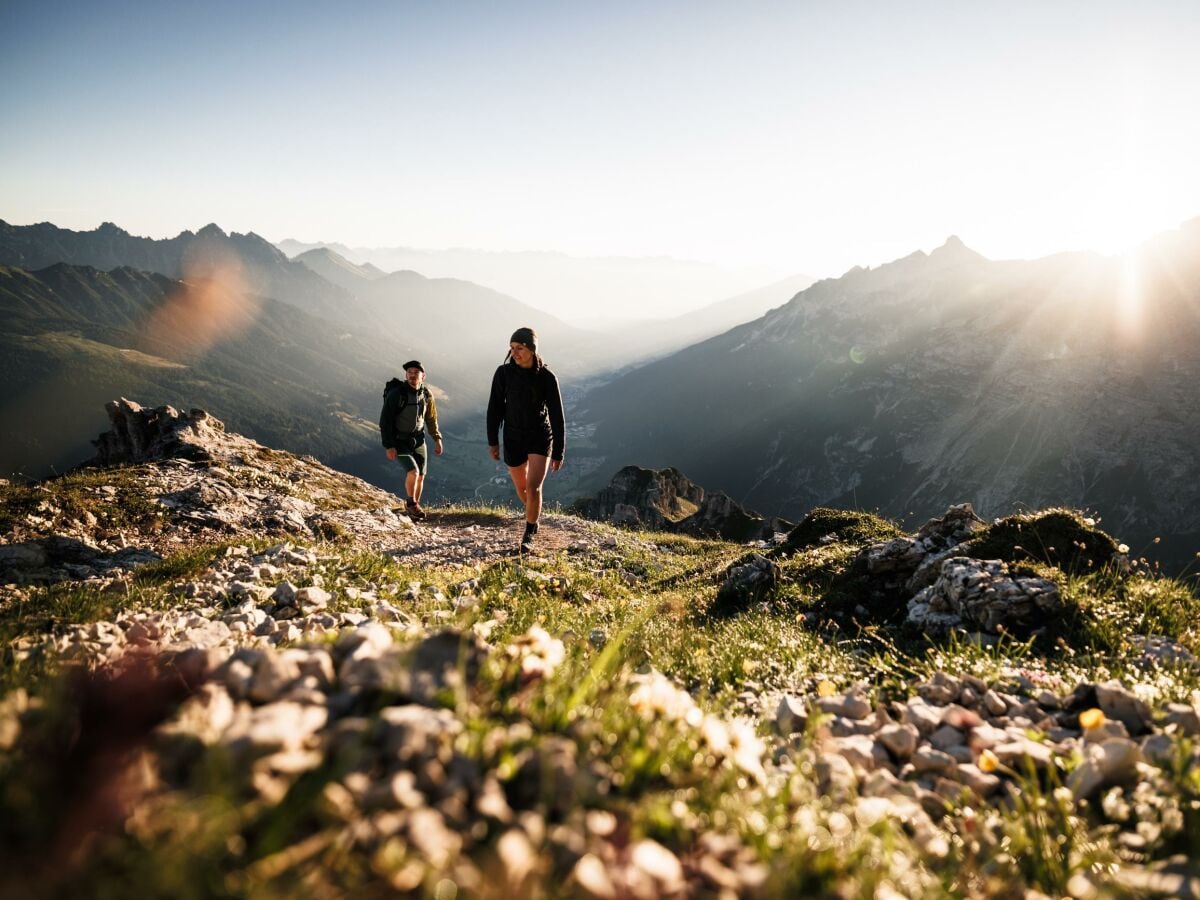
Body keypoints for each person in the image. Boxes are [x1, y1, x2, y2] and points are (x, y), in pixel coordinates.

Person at [487, 327, 565, 552]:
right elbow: (494, 409)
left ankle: (529, 531)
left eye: (519, 348)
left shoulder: (547, 378)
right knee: (522, 490)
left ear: (532, 349)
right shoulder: (503, 374)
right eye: (512, 348)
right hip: (512, 436)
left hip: (540, 435)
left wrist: (559, 452)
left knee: (533, 488)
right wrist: (493, 441)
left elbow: (557, 417)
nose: (515, 353)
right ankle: (534, 515)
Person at [380, 360, 443, 521]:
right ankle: (410, 503)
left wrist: (437, 438)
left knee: (421, 475)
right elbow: (385, 421)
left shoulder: (427, 394)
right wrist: (389, 445)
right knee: (413, 471)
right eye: (409, 372)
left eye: (416, 372)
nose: (412, 375)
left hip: (418, 440)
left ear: (423, 376)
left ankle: (414, 506)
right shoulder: (397, 395)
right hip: (399, 441)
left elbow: (431, 418)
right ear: (406, 375)